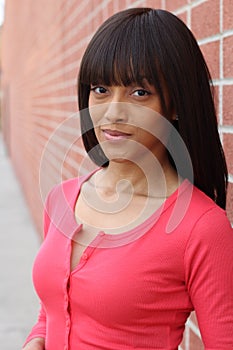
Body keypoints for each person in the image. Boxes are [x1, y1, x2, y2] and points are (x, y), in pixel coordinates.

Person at [23, 7, 233, 350]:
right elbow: (54, 308)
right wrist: (37, 338)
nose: (113, 111)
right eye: (101, 89)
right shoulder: (62, 198)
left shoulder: (200, 227)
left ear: (175, 105)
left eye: (139, 93)